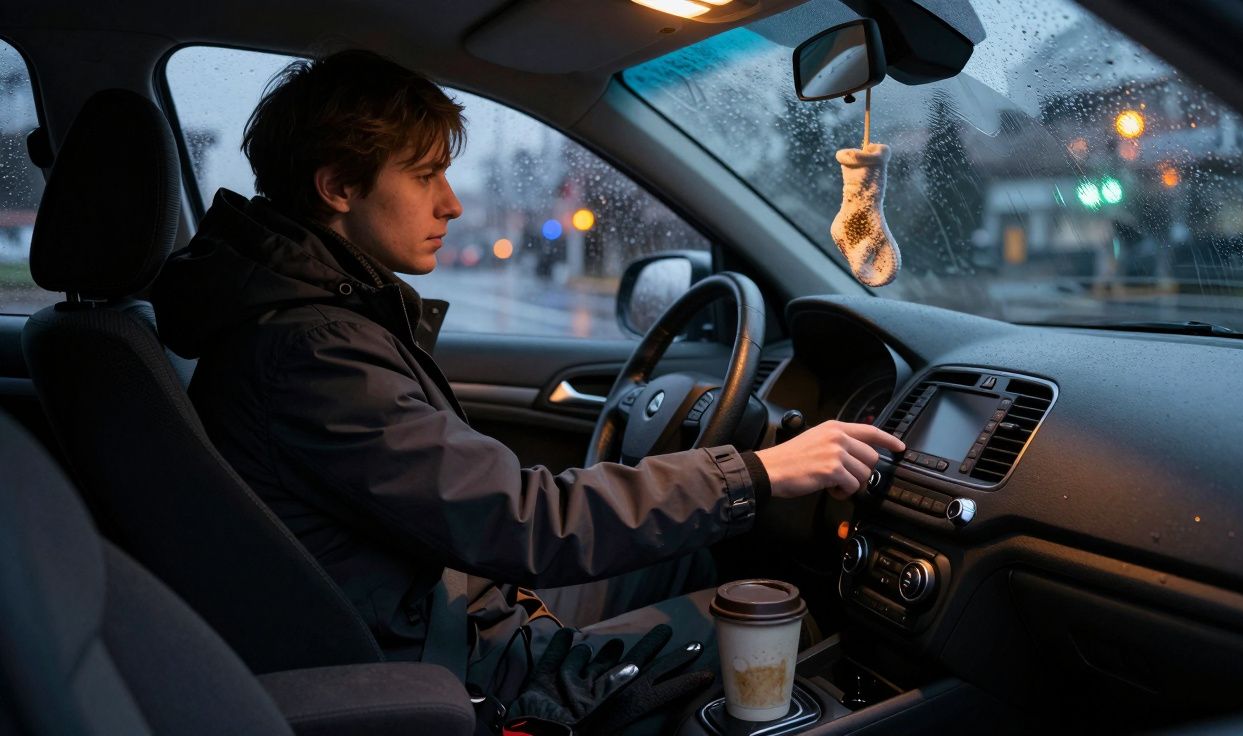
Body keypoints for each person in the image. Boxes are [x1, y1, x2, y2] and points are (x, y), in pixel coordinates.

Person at [152, 49, 904, 726]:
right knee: (772, 616)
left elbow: (476, 507)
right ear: (338, 186)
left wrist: (731, 486)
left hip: (435, 607)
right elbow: (522, 523)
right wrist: (759, 471)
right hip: (445, 668)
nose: (450, 203)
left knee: (696, 560)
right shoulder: (313, 352)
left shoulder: (313, 320)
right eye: (424, 176)